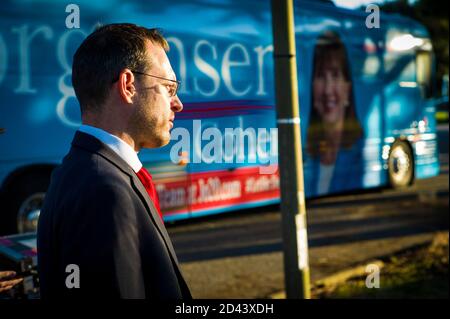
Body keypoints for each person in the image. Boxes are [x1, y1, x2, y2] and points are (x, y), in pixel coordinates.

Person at [37, 23, 191, 299]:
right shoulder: (104, 190)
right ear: (128, 86)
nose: (178, 103)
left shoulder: (82, 170)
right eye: (168, 88)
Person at [306, 31, 364, 195]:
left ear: (348, 88)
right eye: (320, 76)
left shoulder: (360, 153)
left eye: (335, 75)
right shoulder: (308, 154)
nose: (328, 90)